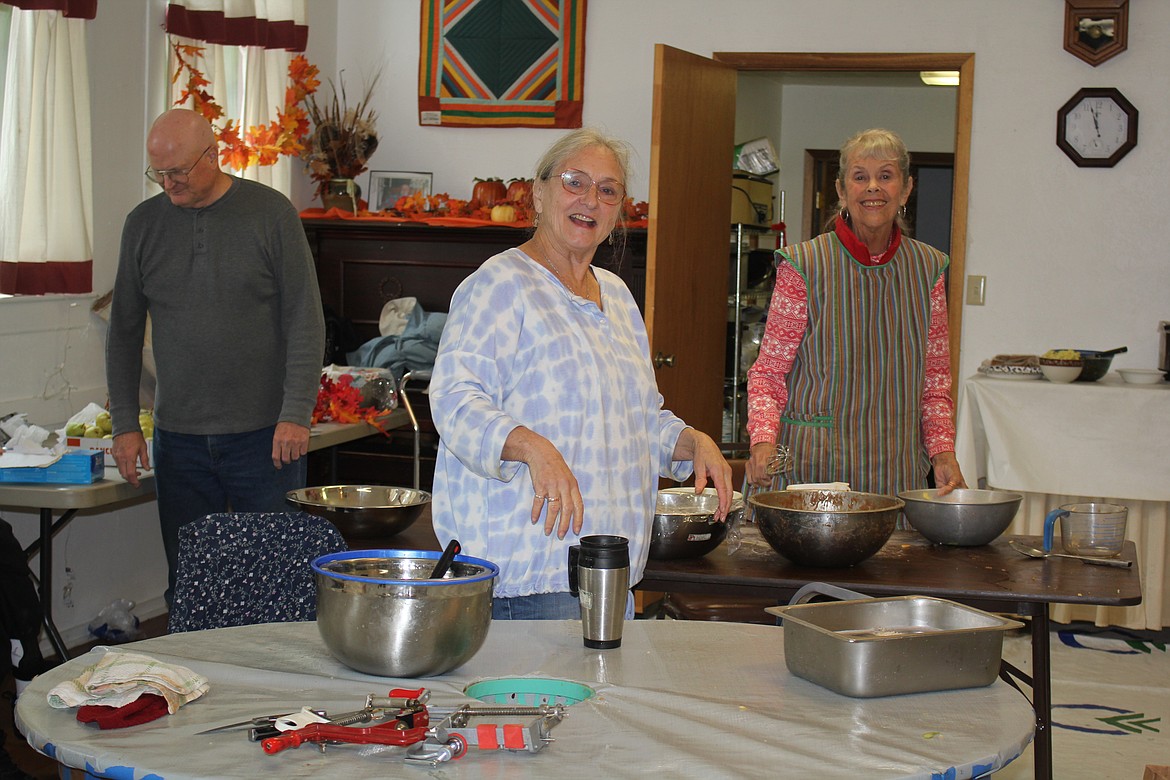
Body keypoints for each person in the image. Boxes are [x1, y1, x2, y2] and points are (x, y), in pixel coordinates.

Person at [428, 127, 732, 620]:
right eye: (575, 181)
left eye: (608, 190)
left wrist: (690, 443)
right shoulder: (499, 285)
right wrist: (531, 445)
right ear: (540, 192)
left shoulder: (616, 296)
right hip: (524, 581)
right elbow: (455, 401)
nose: (590, 199)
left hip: (608, 575)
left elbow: (639, 419)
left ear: (618, 211)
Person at [106, 109, 325, 602]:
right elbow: (121, 332)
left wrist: (296, 414)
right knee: (189, 586)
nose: (168, 184)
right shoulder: (142, 225)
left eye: (178, 171)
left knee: (275, 584)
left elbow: (305, 321)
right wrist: (124, 423)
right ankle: (190, 680)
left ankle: (273, 680)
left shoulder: (271, 215)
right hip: (177, 441)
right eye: (158, 173)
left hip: (265, 438)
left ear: (213, 155)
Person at [745, 128, 966, 496]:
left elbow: (935, 383)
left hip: (894, 471)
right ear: (841, 191)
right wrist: (763, 440)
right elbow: (768, 374)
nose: (873, 187)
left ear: (906, 189)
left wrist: (943, 454)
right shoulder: (804, 265)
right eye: (860, 177)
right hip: (809, 468)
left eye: (886, 175)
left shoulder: (928, 269)